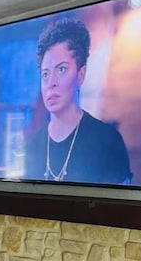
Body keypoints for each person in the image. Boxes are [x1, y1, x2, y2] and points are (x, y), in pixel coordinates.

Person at [24, 18, 131, 185]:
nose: (51, 82)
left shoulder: (108, 141)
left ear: (80, 75)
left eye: (61, 69)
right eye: (45, 74)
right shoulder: (31, 145)